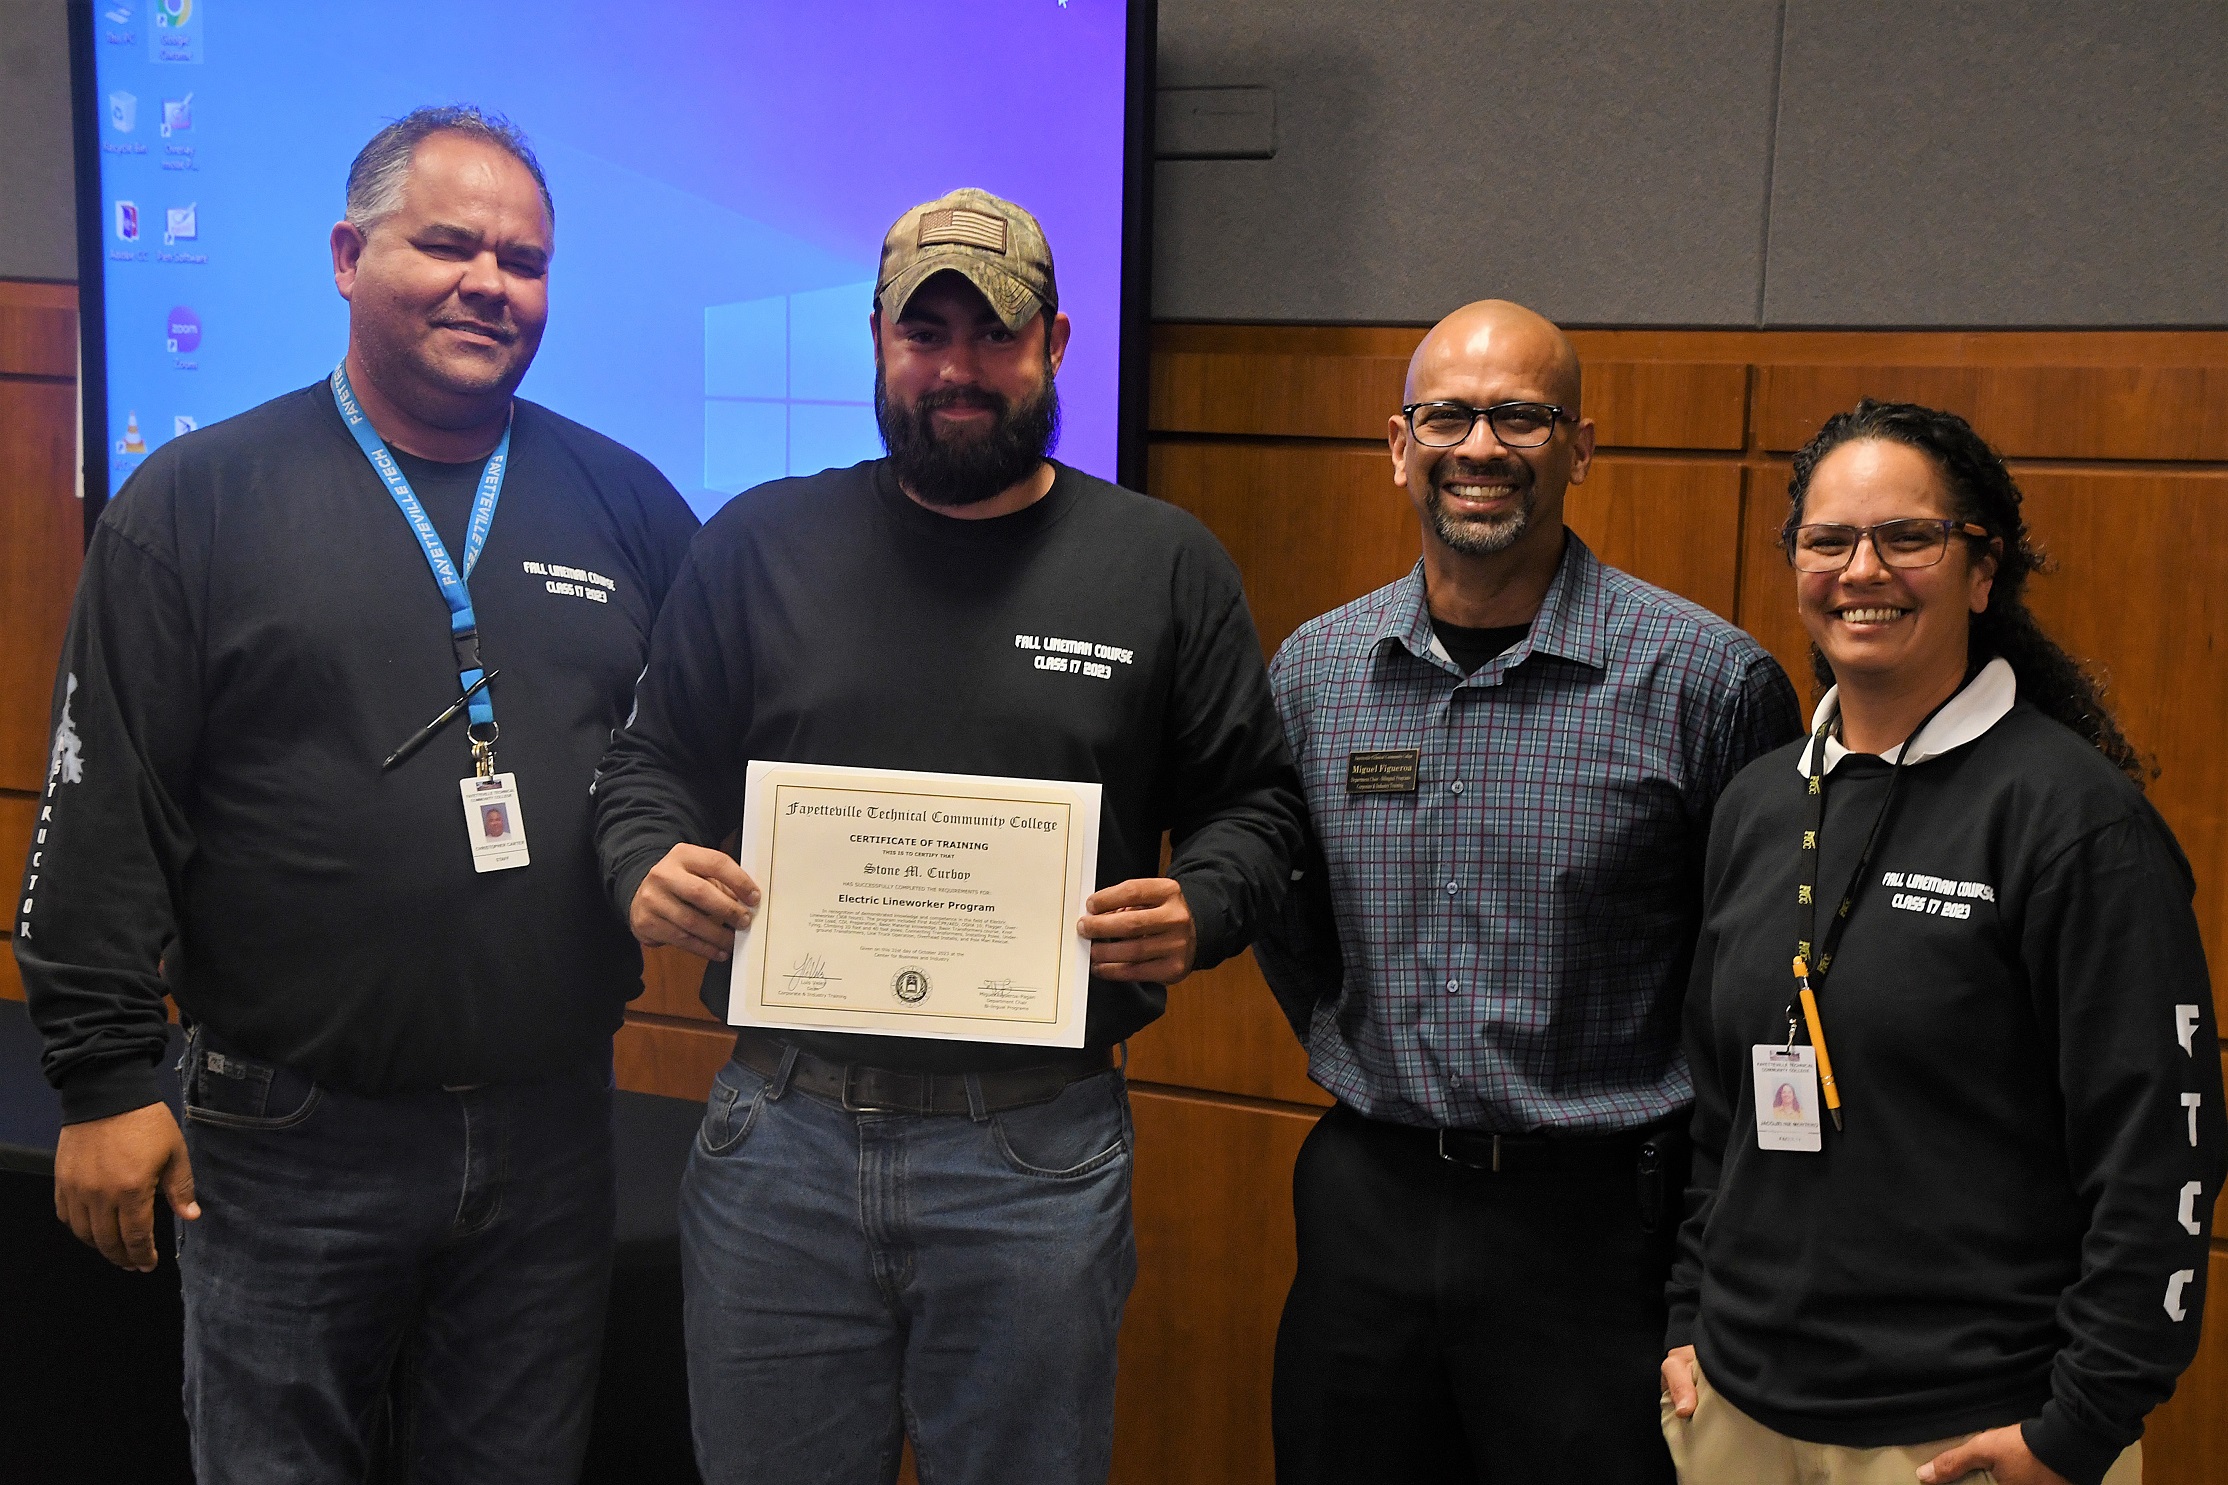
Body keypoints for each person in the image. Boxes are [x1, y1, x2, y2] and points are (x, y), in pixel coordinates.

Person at [13, 106, 700, 1481]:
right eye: (447, 245)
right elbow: (105, 798)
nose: (489, 284)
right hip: (287, 1135)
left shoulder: (626, 503)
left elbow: (698, 745)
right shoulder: (197, 502)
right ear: (346, 255)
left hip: (551, 1126)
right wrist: (98, 1079)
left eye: (523, 261)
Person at [590, 187, 1304, 1485]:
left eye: (995, 334)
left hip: (1033, 1155)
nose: (957, 369)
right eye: (925, 334)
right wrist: (644, 862)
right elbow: (648, 764)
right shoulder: (758, 543)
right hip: (783, 1140)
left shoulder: (1162, 562)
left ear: (1057, 343)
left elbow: (1256, 805)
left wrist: (1202, 904)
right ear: (877, 339)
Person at [1253, 299, 1802, 1482]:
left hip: (1596, 1232)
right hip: (1367, 1205)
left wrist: (1712, 1271)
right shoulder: (1313, 674)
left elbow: (1758, 992)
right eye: (1446, 416)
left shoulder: (1706, 683)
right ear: (1397, 444)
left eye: (1519, 417)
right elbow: (1293, 932)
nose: (1479, 447)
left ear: (1579, 446)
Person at [1660, 400, 2226, 1485]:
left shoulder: (2072, 819)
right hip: (1735, 1414)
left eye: (1906, 537)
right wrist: (1689, 1314)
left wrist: (2080, 1426)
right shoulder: (1757, 805)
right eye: (1827, 541)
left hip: (1969, 1434)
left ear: (1981, 570)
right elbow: (1719, 1112)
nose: (1860, 571)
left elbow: (2160, 1150)